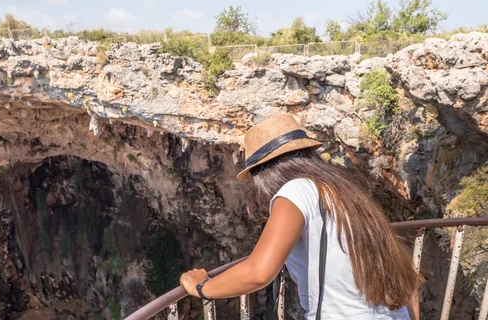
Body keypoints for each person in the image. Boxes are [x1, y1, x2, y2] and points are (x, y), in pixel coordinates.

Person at [180, 113, 421, 319]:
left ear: (264, 173)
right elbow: (407, 280)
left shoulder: (297, 190)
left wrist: (202, 286)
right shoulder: (346, 194)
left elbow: (259, 272)